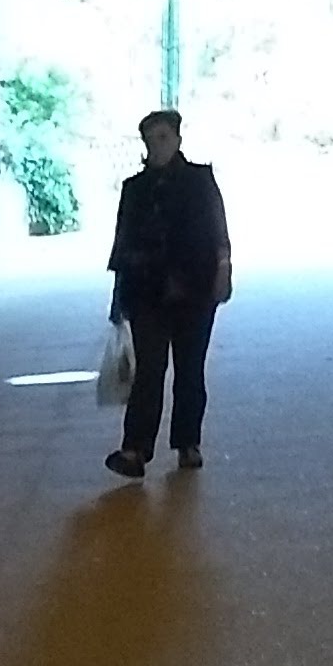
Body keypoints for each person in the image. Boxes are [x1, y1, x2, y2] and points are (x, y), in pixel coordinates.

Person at [103, 109, 231, 478]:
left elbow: (218, 229)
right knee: (149, 371)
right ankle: (135, 449)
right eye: (150, 140)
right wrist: (118, 299)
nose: (156, 146)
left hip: (195, 289)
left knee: (190, 369)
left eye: (163, 138)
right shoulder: (134, 188)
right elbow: (123, 243)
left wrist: (223, 268)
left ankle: (188, 443)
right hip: (147, 290)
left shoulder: (200, 181)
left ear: (177, 140)